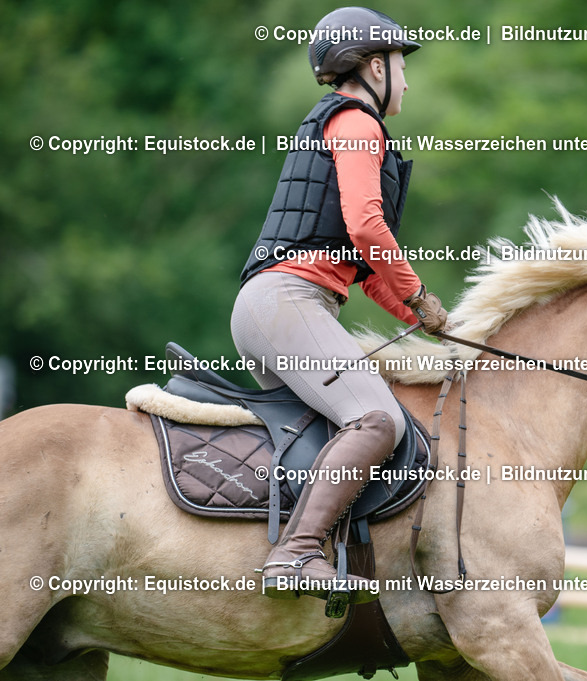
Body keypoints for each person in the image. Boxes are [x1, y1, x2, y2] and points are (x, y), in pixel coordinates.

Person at [231, 7, 447, 607]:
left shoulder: (336, 122)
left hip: (277, 306)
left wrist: (426, 320)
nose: (407, 81)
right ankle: (297, 553)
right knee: (378, 421)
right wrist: (420, 294)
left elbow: (363, 263)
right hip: (288, 302)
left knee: (335, 425)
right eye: (402, 66)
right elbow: (369, 226)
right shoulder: (359, 122)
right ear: (375, 66)